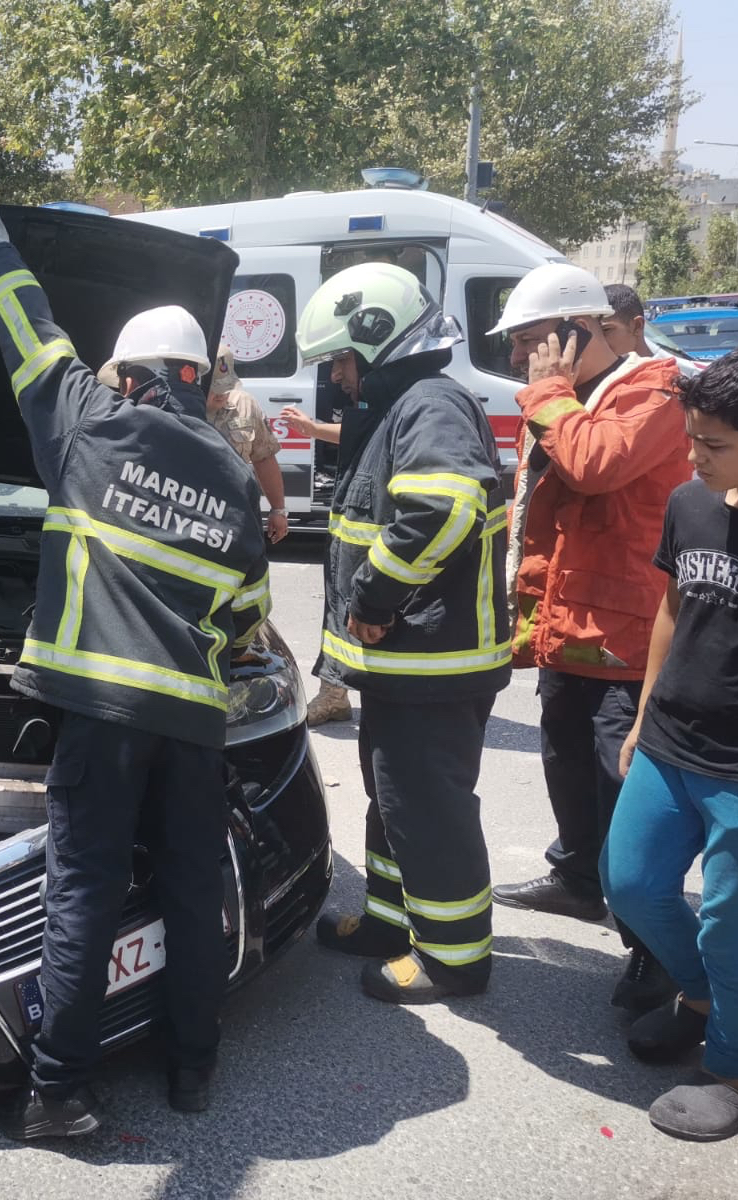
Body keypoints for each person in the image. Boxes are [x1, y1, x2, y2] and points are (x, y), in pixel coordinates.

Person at [0, 192, 271, 1138]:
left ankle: (58, 1092)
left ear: (130, 377)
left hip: (100, 708)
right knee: (188, 885)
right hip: (192, 721)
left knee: (83, 889)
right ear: (195, 380)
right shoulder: (236, 479)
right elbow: (249, 618)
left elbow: (30, 332)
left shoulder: (91, 424)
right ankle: (192, 1070)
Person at [487, 263, 691, 1014]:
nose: (521, 361)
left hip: (626, 638)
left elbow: (594, 465)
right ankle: (577, 878)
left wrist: (548, 394)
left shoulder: (655, 391)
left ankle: (657, 949)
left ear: (584, 330)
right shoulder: (583, 395)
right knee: (564, 755)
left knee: (623, 788)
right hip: (570, 625)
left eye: (533, 342)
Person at [302, 262, 509, 1004]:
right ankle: (394, 922)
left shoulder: (430, 405)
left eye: (340, 361)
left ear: (377, 341)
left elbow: (445, 508)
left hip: (435, 658)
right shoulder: (405, 405)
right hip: (407, 661)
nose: (338, 379)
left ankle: (455, 957)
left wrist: (374, 595)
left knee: (427, 806)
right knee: (391, 798)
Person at [600, 344, 738, 1142]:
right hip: (670, 741)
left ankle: (736, 1065)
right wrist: (641, 716)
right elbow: (672, 608)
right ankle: (700, 998)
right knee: (630, 884)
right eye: (692, 437)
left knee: (737, 924)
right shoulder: (691, 503)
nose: (693, 457)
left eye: (715, 445)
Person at [281, 353, 360, 727]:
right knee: (340, 605)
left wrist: (312, 429)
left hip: (363, 540)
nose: (335, 375)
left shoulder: (397, 402)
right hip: (351, 530)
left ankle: (334, 693)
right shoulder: (380, 399)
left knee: (345, 606)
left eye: (343, 362)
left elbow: (362, 430)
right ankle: (335, 691)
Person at [206, 342, 290, 543]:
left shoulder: (245, 404)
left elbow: (264, 458)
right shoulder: (181, 409)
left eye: (226, 387)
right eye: (214, 387)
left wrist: (278, 510)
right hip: (195, 514)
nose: (221, 394)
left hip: (238, 515)